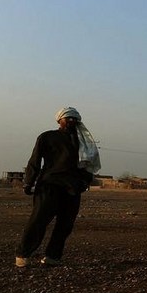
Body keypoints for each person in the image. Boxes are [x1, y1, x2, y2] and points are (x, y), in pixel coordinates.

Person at [15, 107, 101, 268]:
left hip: (72, 188)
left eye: (75, 119)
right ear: (59, 120)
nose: (71, 121)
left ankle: (52, 256)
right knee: (38, 221)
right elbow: (34, 161)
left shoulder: (83, 142)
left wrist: (84, 182)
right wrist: (28, 182)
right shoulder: (47, 137)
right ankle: (23, 254)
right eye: (68, 118)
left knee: (65, 225)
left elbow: (88, 165)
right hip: (49, 186)